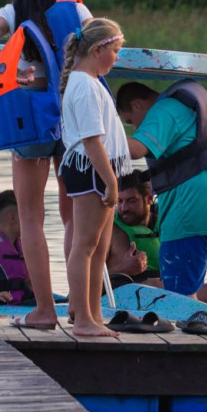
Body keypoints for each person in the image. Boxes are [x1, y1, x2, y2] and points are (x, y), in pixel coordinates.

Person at [0, 0, 92, 328]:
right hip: (72, 116)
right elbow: (100, 43)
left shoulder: (15, 9)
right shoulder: (74, 8)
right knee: (72, 214)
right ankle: (78, 306)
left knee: (30, 218)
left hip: (31, 117)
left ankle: (44, 310)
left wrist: (17, 69)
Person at [117, 80, 207, 303]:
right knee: (188, 284)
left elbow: (137, 149)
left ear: (137, 105)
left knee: (178, 294)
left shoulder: (162, 112)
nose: (136, 129)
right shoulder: (192, 110)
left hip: (189, 216)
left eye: (130, 122)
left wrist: (94, 140)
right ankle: (197, 316)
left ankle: (185, 330)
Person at [58, 18, 132, 337]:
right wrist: (112, 182)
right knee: (85, 246)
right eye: (114, 51)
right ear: (98, 49)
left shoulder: (89, 81)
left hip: (95, 170)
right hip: (90, 170)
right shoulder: (85, 85)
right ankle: (84, 319)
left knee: (99, 248)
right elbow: (91, 140)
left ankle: (93, 312)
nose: (116, 58)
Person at [107, 173, 161, 285]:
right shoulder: (108, 229)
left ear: (149, 198)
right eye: (120, 201)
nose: (124, 208)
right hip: (117, 295)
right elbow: (86, 280)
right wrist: (122, 269)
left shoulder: (167, 223)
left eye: (132, 201)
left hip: (167, 292)